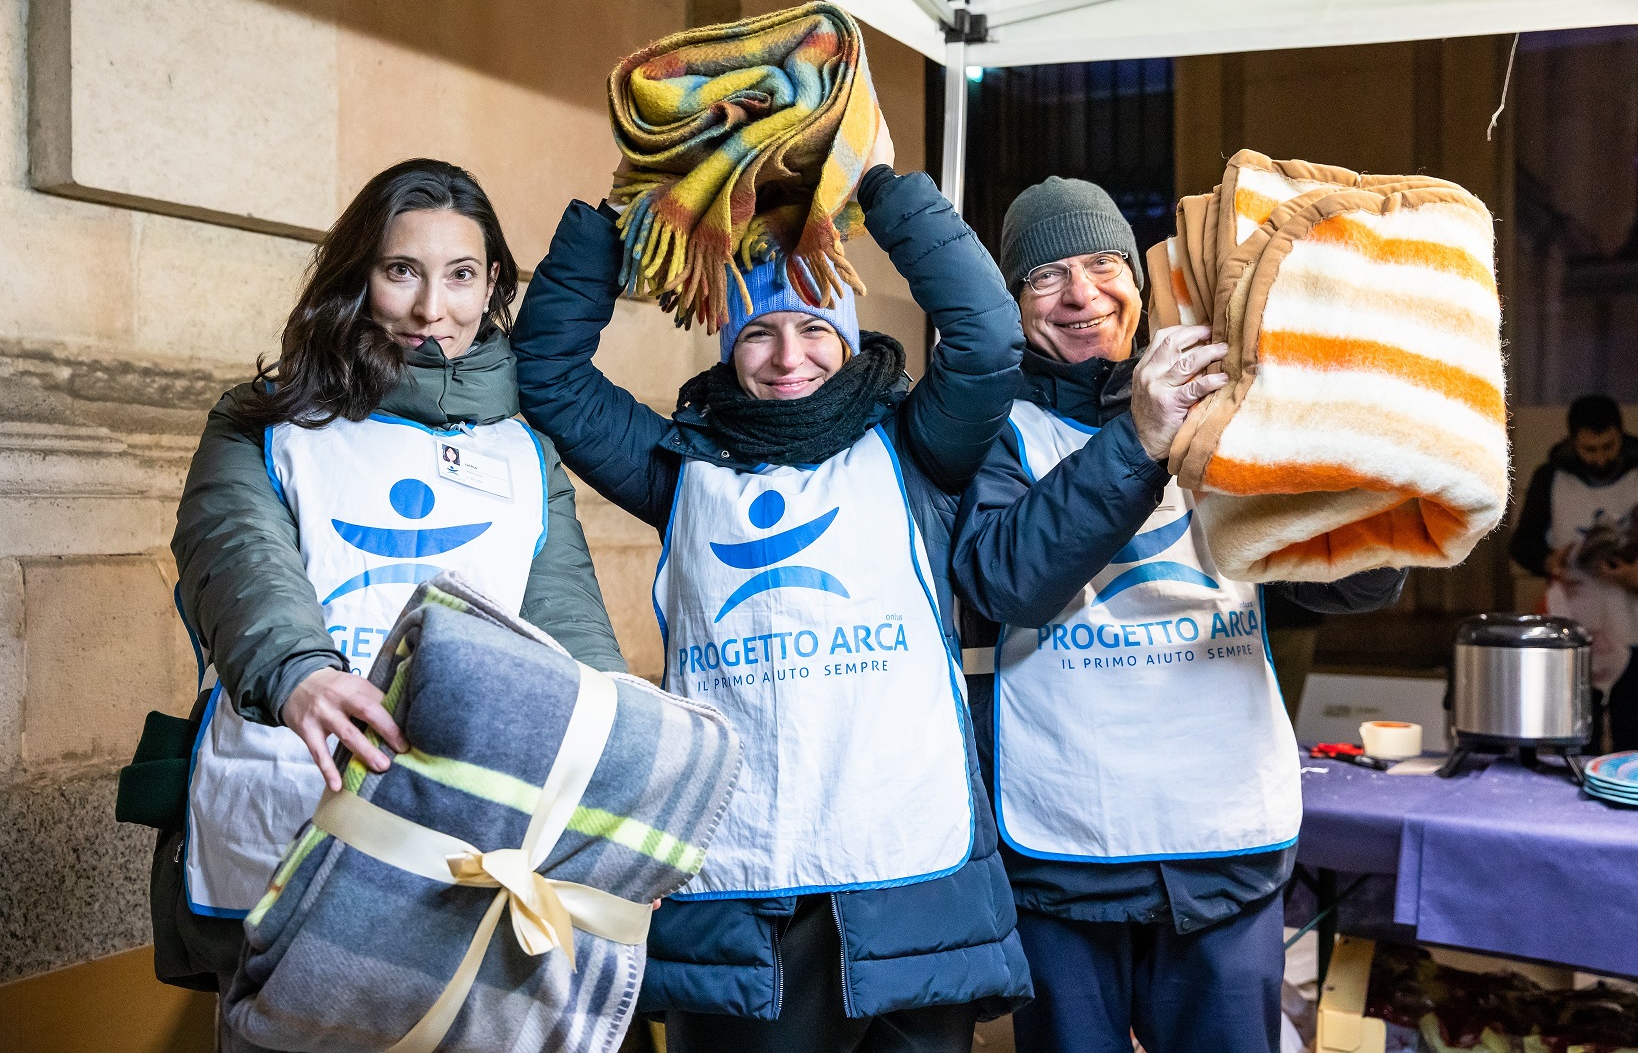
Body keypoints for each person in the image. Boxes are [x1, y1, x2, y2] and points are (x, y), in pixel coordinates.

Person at [509, 121, 1032, 1053]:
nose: (788, 355)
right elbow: (548, 374)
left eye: (811, 329)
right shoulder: (677, 466)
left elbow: (988, 337)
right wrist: (621, 214)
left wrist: (876, 186)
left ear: (846, 333)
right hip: (745, 900)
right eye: (759, 332)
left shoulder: (918, 445)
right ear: (727, 346)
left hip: (906, 888)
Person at [950, 177, 1408, 1053]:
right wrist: (1139, 438)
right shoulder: (994, 432)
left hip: (1222, 837)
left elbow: (1343, 588)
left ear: (1139, 280)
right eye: (1046, 277)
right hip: (1065, 847)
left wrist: (1357, 465)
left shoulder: (1227, 408)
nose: (1081, 294)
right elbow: (1008, 581)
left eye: (1101, 264)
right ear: (1015, 301)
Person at [167, 158, 627, 1001]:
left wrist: (622, 747)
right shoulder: (265, 421)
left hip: (464, 835)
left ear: (492, 285)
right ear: (358, 277)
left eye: (459, 276)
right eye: (401, 272)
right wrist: (298, 672)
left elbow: (570, 627)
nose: (430, 309)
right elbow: (235, 555)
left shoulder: (527, 451)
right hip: (290, 802)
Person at [1511, 393, 1638, 751]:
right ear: (1572, 441)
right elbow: (1522, 546)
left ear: (1621, 435)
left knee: (1632, 732)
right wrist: (1549, 561)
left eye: (1608, 447)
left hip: (1632, 619)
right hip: (1575, 621)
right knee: (1576, 735)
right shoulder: (1550, 477)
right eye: (1589, 449)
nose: (1600, 458)